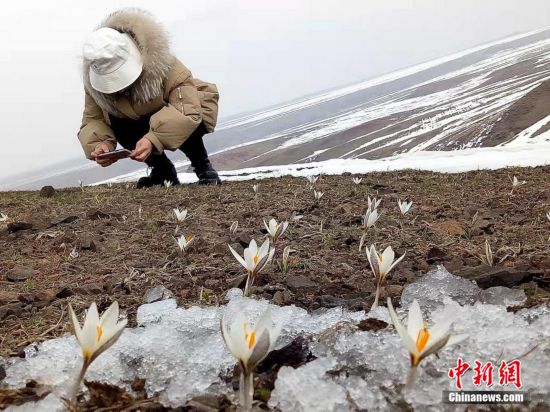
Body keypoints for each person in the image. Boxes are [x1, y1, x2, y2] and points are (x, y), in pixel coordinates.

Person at [78, 8, 221, 187]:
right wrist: (100, 145)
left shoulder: (164, 64)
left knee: (185, 113)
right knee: (120, 124)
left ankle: (202, 166)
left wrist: (154, 140)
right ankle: (162, 171)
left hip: (183, 111)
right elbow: (93, 118)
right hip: (136, 122)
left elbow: (187, 110)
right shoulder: (94, 82)